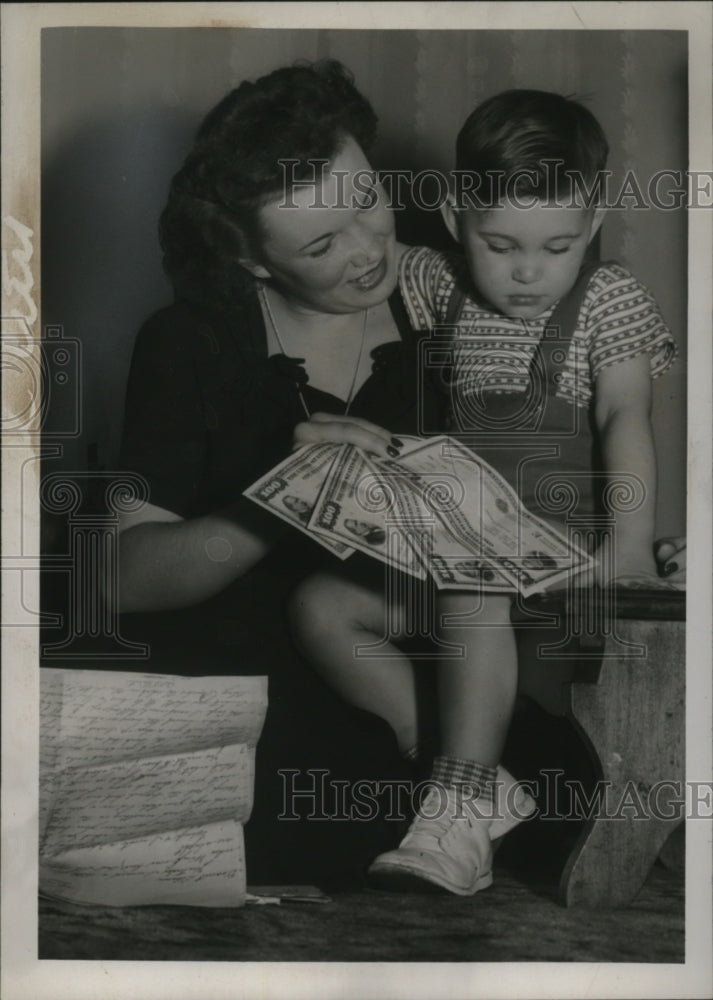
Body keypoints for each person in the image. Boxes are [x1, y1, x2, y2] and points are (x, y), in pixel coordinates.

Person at [291, 89, 679, 896]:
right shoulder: (442, 283)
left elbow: (624, 417)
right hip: (459, 543)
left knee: (473, 591)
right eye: (500, 244)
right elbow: (335, 267)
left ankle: (457, 815)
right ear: (457, 216)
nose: (529, 272)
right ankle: (464, 775)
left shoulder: (608, 299)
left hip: (568, 555)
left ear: (595, 214)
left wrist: (629, 549)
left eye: (560, 244)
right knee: (323, 605)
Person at [115, 59, 449, 882]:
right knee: (297, 818)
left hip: (422, 661)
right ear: (254, 262)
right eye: (322, 244)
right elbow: (122, 580)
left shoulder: (456, 301)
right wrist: (278, 503)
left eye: (368, 202)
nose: (372, 249)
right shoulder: (189, 342)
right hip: (245, 677)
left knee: (582, 787)